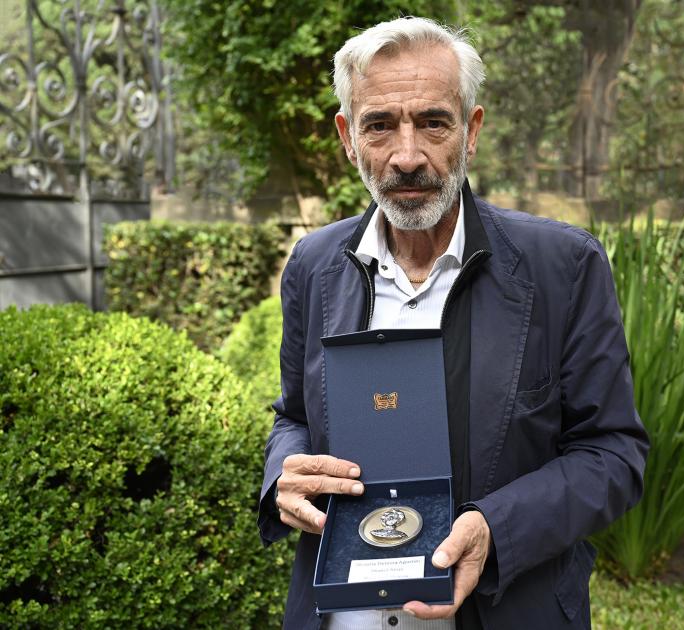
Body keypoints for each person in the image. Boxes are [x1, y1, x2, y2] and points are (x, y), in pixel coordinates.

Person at [258, 16, 649, 630]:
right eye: (380, 125)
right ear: (347, 137)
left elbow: (613, 453)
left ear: (470, 132)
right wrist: (285, 470)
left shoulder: (563, 266)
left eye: (433, 122)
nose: (407, 156)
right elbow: (296, 417)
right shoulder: (313, 265)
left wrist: (496, 527)